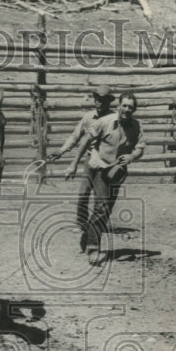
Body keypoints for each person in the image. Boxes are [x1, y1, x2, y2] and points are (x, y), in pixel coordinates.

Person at [66, 92, 145, 264]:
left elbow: (140, 147)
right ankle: (93, 249)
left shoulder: (136, 126)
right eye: (124, 105)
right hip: (99, 167)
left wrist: (132, 157)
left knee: (106, 210)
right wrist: (73, 163)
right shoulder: (105, 122)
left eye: (130, 107)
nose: (127, 109)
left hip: (117, 172)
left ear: (134, 109)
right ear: (119, 106)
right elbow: (86, 141)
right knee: (100, 207)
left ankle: (88, 233)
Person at [48, 84, 115, 250]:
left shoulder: (114, 118)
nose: (99, 103)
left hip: (107, 163)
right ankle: (82, 223)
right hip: (90, 161)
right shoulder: (88, 117)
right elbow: (75, 136)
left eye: (103, 100)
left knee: (104, 198)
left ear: (109, 102)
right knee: (83, 192)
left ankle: (97, 227)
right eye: (97, 99)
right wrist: (61, 151)